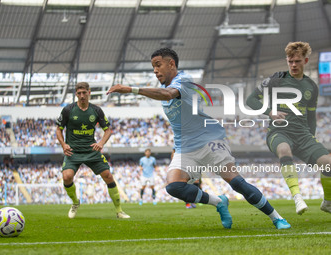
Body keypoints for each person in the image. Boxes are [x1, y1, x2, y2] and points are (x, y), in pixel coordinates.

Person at [107, 48, 290, 229]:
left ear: (171, 64)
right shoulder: (162, 89)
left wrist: (131, 89)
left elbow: (169, 94)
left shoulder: (184, 80)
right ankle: (219, 202)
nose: (155, 70)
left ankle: (277, 218)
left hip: (209, 141)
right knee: (174, 187)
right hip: (184, 147)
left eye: (158, 65)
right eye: (153, 66)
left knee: (236, 182)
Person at [246, 41, 331, 215]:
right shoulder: (276, 79)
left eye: (297, 61)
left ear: (305, 61)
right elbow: (251, 100)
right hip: (279, 132)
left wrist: (312, 142)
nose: (293, 65)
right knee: (284, 150)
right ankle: (297, 197)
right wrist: (270, 112)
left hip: (303, 135)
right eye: (290, 61)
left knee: (328, 165)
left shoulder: (311, 87)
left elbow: (311, 116)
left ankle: (328, 202)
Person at [56, 82, 130, 219]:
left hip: (91, 151)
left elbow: (108, 130)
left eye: (84, 93)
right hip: (73, 151)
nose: (82, 96)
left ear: (89, 92)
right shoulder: (68, 110)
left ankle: (119, 211)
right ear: (76, 94)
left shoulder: (96, 110)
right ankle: (75, 202)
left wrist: (101, 143)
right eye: (79, 93)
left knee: (108, 175)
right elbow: (58, 129)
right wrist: (63, 144)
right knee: (66, 177)